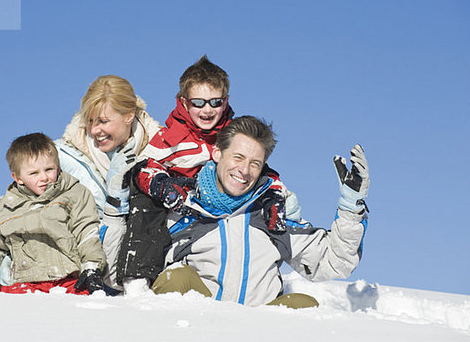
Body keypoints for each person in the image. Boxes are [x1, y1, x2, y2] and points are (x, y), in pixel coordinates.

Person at [115, 56, 302, 289]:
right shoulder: (170, 138)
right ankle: (137, 277)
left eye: (215, 102)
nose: (207, 110)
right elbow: (144, 168)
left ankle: (259, 280)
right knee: (144, 202)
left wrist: (274, 196)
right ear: (184, 102)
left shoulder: (234, 134)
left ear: (225, 102)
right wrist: (161, 184)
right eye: (198, 102)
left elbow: (261, 170)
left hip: (223, 200)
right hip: (181, 199)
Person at [151, 116, 370, 308]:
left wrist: (351, 207)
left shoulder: (271, 214)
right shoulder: (185, 206)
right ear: (217, 152)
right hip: (197, 323)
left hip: (258, 329)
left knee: (303, 305)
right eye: (237, 157)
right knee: (176, 278)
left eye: (255, 163)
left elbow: (333, 262)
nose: (244, 171)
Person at [54, 75, 161, 291]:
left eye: (103, 121)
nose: (94, 130)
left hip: (144, 286)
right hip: (79, 283)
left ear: (129, 116)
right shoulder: (60, 158)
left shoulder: (159, 155)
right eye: (90, 121)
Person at [0, 133, 106, 295]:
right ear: (18, 177)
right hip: (25, 282)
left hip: (69, 280)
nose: (44, 177)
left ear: (57, 167)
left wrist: (92, 267)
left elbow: (86, 232)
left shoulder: (74, 194)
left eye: (49, 169)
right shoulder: (6, 207)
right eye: (34, 173)